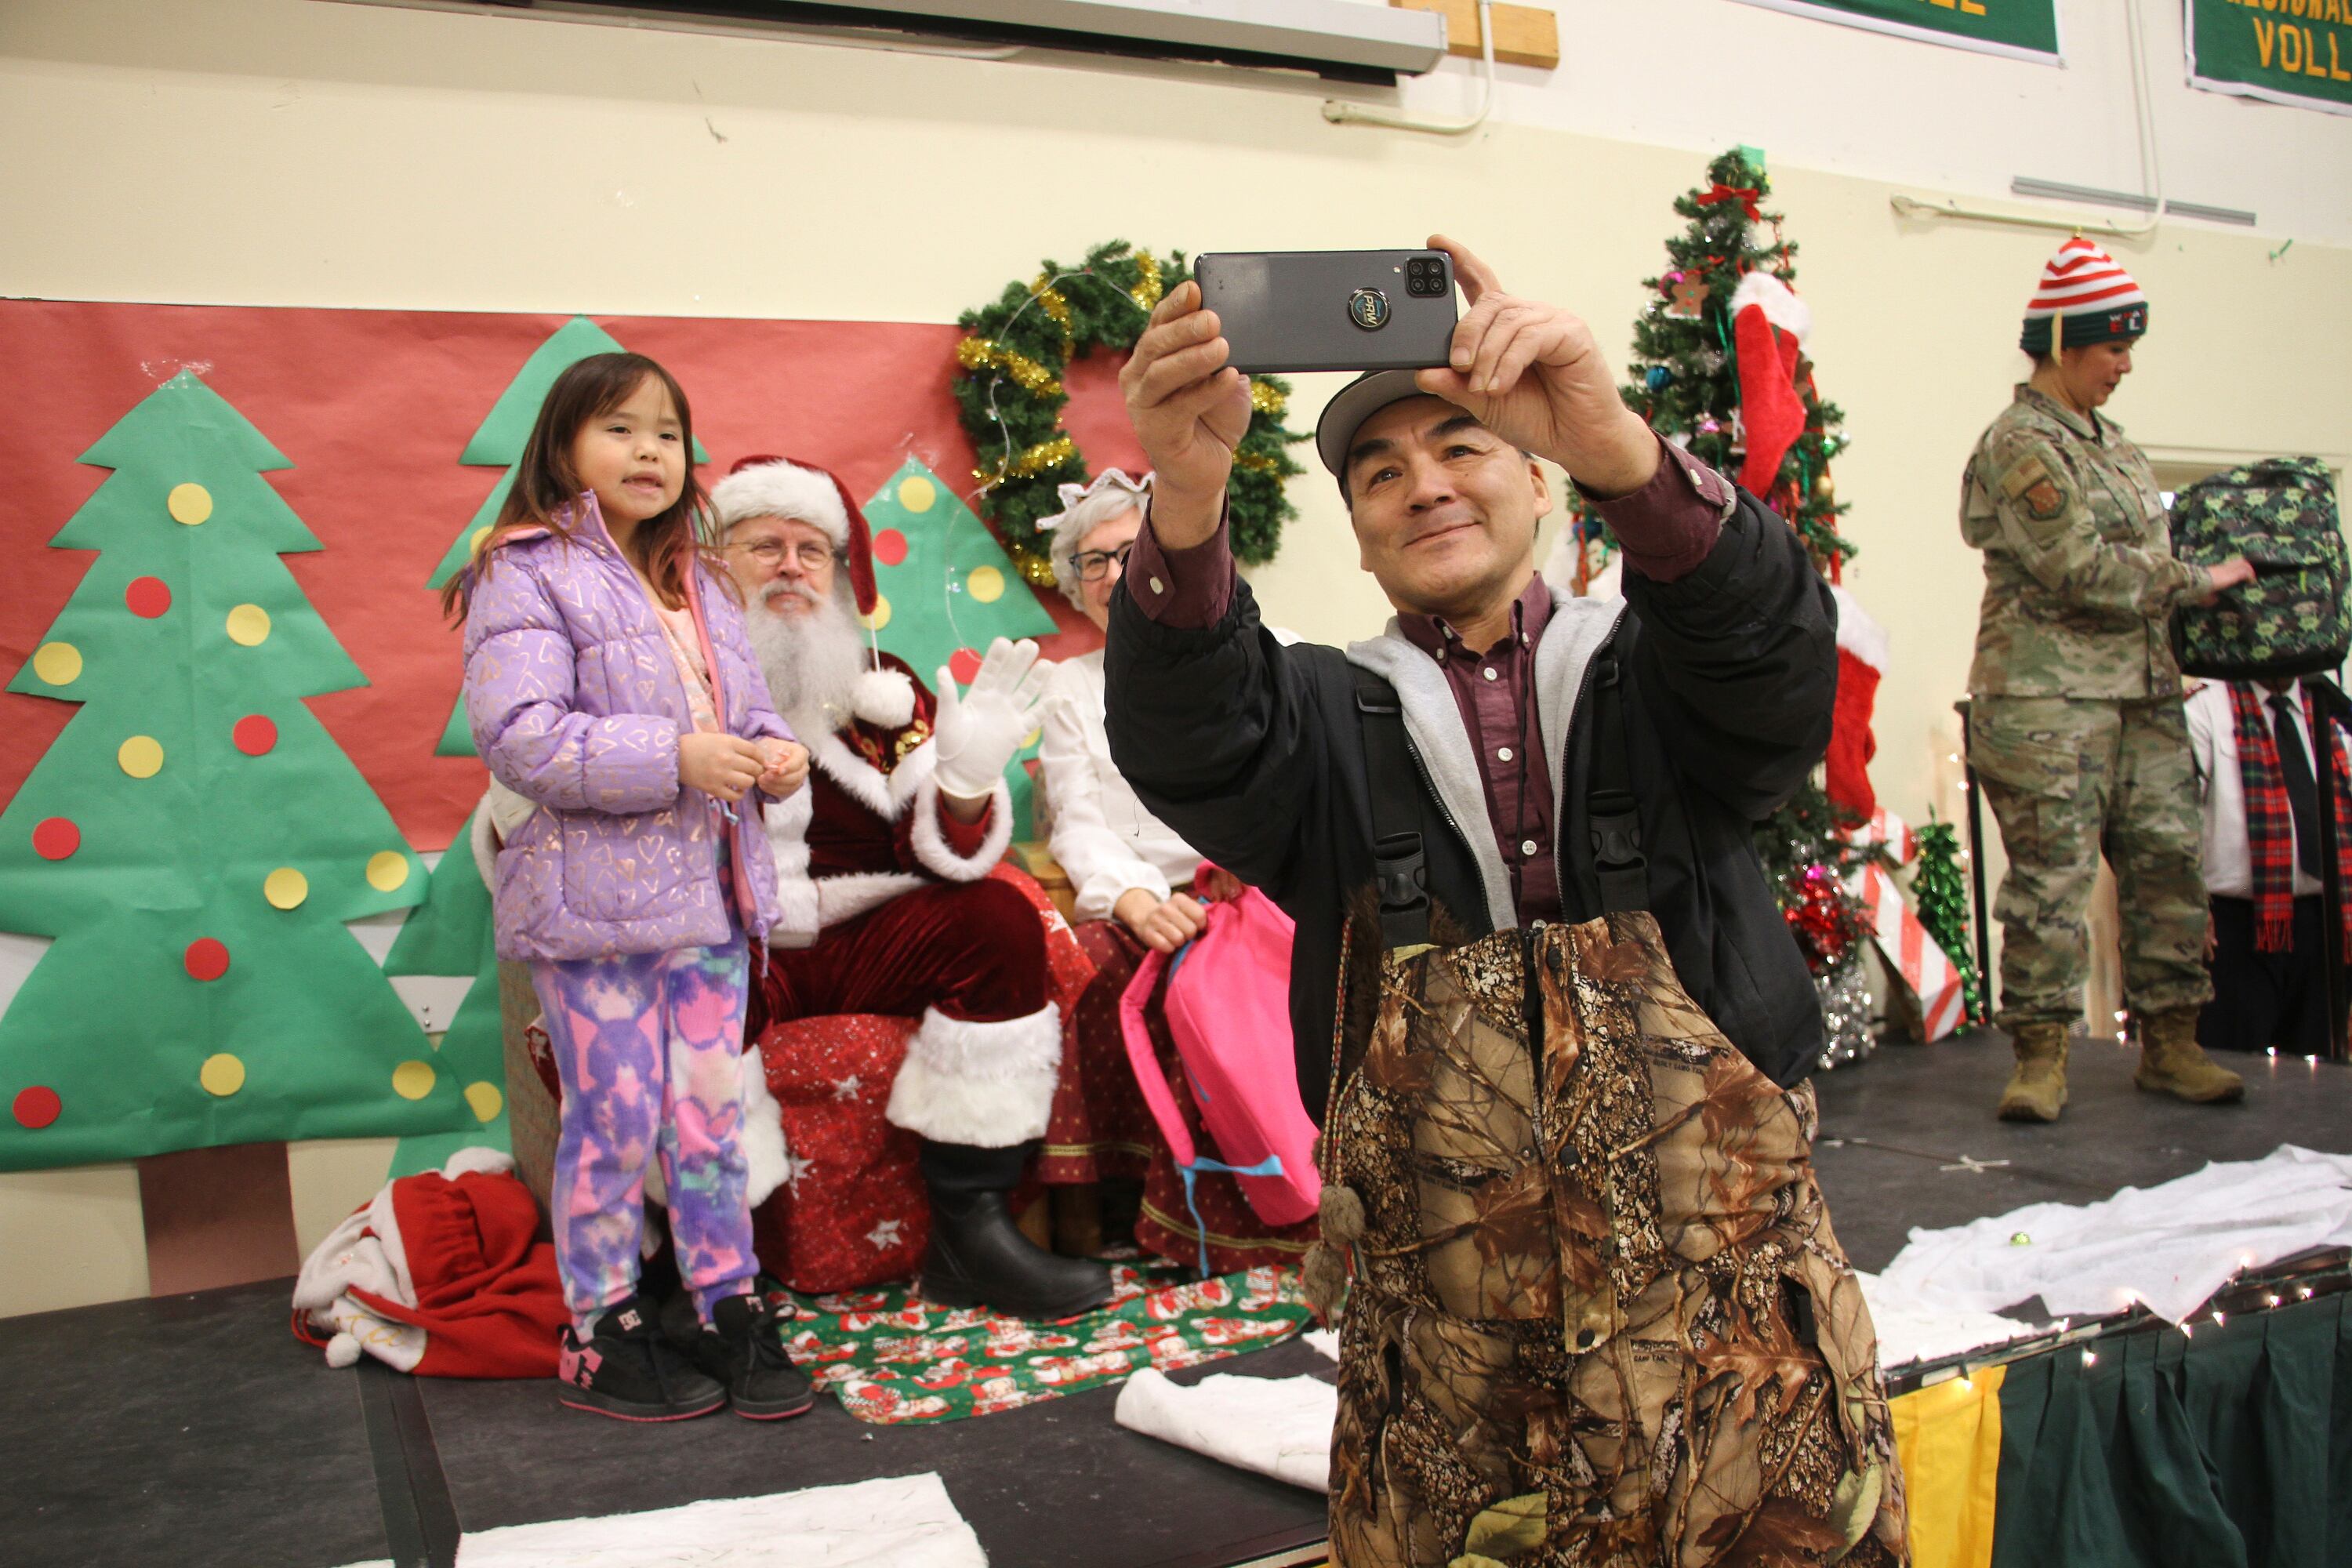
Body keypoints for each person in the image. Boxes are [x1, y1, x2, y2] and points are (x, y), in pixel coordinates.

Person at [1107, 238, 1907, 1564]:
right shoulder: (1319, 718)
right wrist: (1186, 497)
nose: (1423, 485)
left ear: (1537, 479)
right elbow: (1195, 736)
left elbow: (1774, 663)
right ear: (1359, 539)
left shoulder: (1666, 665)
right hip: (1453, 1369)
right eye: (1380, 473)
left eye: (1462, 446)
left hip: (1739, 1338)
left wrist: (1621, 447)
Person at [455, 353, 815, 1423]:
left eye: (667, 432)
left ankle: (724, 1300)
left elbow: (743, 712)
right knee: (613, 1119)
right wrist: (678, 758)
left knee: (709, 1112)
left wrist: (772, 751)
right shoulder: (522, 571)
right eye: (619, 429)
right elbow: (522, 737)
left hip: (708, 900)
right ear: (562, 447)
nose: (650, 450)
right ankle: (602, 1322)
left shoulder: (696, 579)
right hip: (593, 916)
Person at [713, 454, 1115, 1322]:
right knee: (693, 982)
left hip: (854, 941)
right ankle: (713, 1271)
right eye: (766, 545)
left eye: (812, 550)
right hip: (729, 943)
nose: (791, 566)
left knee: (997, 913)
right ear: (718, 561)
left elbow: (936, 852)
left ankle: (969, 1236)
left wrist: (965, 781)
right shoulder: (672, 673)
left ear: (839, 572)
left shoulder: (880, 688)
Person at [1961, 237, 2255, 1123]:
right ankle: (2041, 1056)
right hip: (2049, 701)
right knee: (2051, 879)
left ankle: (2172, 1041)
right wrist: (2199, 579)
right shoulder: (2019, 443)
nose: (2124, 366)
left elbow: (2140, 554)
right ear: (2061, 342)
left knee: (2168, 864)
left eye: (2130, 348)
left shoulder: (2116, 447)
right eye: (2112, 347)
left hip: (2144, 694)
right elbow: (2077, 566)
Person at [1036, 467, 1316, 1273]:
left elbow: (1311, 780)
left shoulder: (1277, 651)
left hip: (1270, 883)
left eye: (1134, 550)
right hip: (1155, 893)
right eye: (1094, 561)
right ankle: (1116, 1207)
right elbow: (1078, 819)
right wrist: (1131, 894)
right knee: (1086, 960)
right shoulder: (1069, 687)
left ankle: (1295, 1200)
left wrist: (1254, 854)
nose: (1117, 574)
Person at [2186, 673, 2351, 1055]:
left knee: (2317, 1082)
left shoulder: (2328, 706)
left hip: (2324, 922)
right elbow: (2175, 821)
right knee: (2234, 1067)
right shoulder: (2205, 706)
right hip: (2233, 926)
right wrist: (2190, 905)